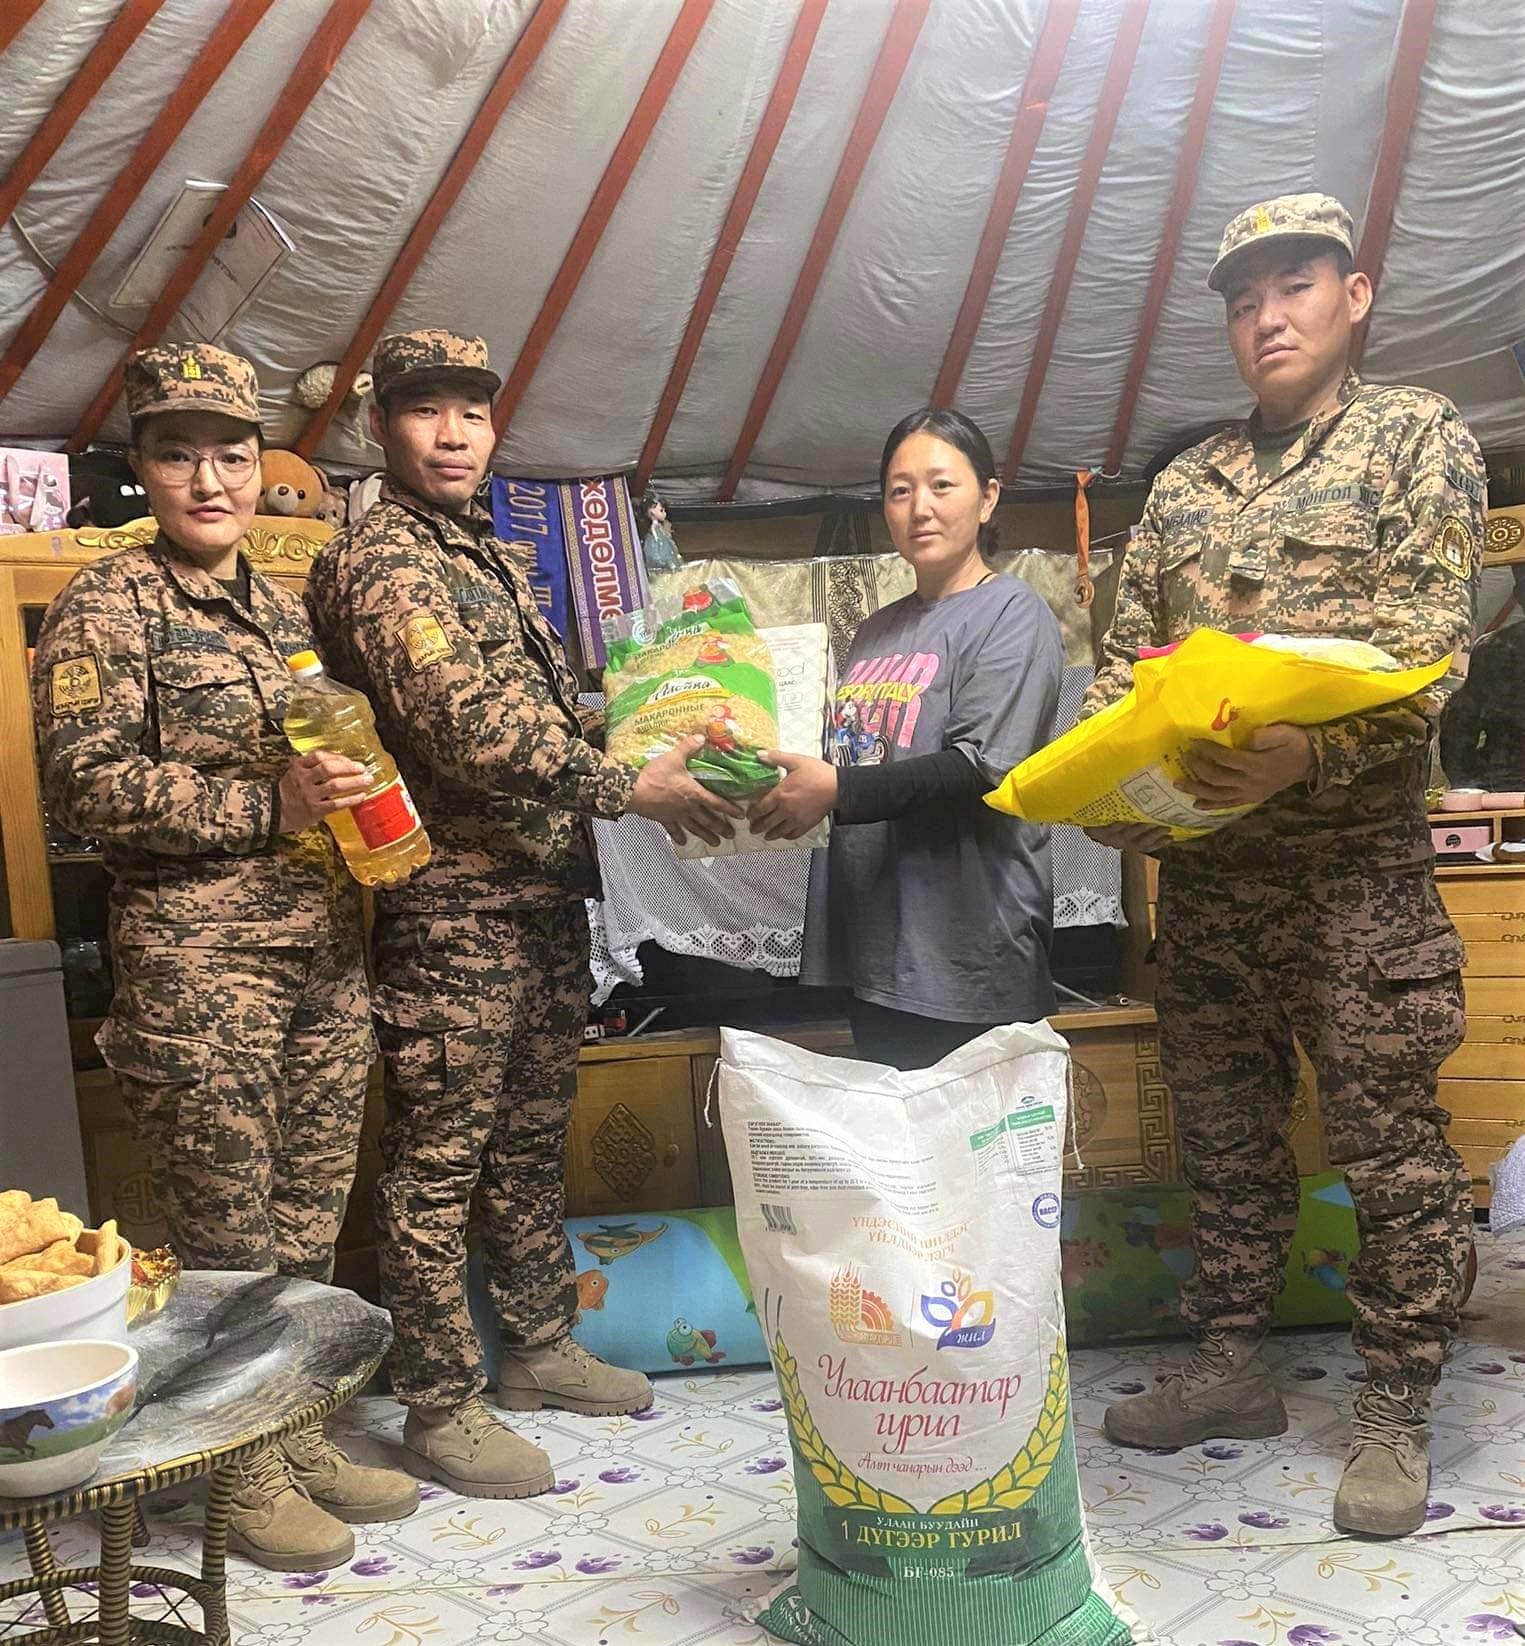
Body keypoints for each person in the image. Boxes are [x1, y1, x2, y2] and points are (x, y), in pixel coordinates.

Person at [1085, 195, 1485, 1538]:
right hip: (1209, 882)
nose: (1266, 315)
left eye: (1294, 285)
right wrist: (1109, 790)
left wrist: (1307, 760)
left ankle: (1395, 1395)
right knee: (1224, 1137)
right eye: (1243, 297)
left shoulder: (1413, 437)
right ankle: (1231, 1365)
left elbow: (1429, 656)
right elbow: (1122, 672)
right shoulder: (1184, 483)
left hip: (1354, 882)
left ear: (1353, 295)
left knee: (1390, 1146)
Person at [305, 329, 739, 1499]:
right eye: (425, 410)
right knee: (439, 1162)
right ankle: (440, 1401)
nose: (453, 435)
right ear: (380, 426)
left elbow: (544, 710)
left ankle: (539, 1346)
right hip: (449, 909)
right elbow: (459, 723)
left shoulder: (484, 554)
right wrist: (626, 781)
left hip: (538, 895)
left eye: (473, 411)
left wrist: (667, 717)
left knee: (529, 1140)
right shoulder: (381, 559)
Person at [31, 343, 417, 1569]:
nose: (209, 480)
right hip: (200, 977)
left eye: (232, 455)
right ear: (142, 468)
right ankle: (239, 1478)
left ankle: (295, 1436)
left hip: (320, 963)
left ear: (262, 465)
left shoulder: (285, 606)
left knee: (306, 1234)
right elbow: (83, 782)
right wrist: (268, 804)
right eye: (178, 454)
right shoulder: (110, 602)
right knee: (228, 1246)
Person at [749, 406, 1063, 1071]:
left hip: (968, 956)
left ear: (987, 498)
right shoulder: (875, 631)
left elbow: (979, 771)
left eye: (942, 485)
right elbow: (850, 758)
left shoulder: (1013, 612)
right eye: (899, 490)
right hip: (875, 951)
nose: (920, 507)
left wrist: (835, 790)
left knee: (978, 1139)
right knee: (897, 1137)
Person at [1438, 560, 1525, 791]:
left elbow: (1457, 737)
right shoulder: (1493, 650)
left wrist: (1471, 789)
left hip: (1503, 785)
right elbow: (1457, 736)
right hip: (1506, 785)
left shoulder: (1492, 649)